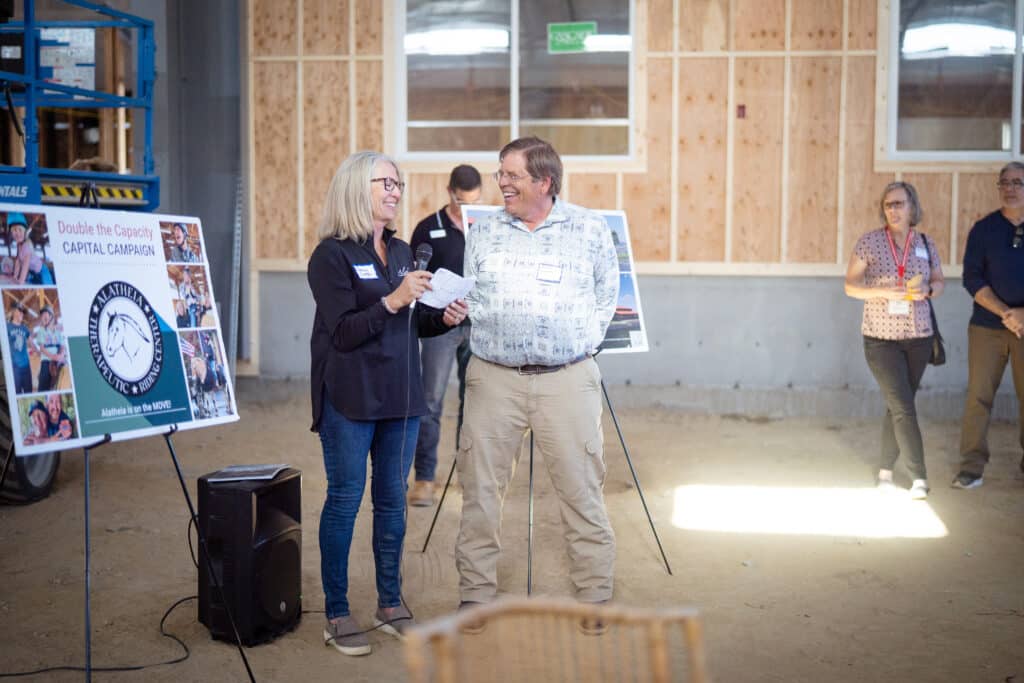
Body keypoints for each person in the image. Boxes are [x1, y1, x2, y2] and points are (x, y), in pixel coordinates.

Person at [307, 151, 468, 656]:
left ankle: (390, 602)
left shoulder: (401, 252)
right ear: (358, 187)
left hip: (401, 398)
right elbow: (346, 331)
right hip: (351, 399)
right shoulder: (330, 256)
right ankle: (336, 612)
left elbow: (409, 322)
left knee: (394, 501)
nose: (396, 190)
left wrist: (440, 319)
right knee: (345, 500)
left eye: (399, 183)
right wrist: (393, 300)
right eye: (387, 183)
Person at [456, 137, 619, 630]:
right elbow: (472, 293)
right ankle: (475, 594)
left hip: (567, 380)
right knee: (480, 490)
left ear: (544, 181)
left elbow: (606, 297)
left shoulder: (589, 229)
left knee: (580, 488)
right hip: (492, 379)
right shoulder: (483, 232)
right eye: (499, 174)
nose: (501, 183)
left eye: (512, 175)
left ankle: (594, 594)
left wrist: (575, 346)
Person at [844, 181, 944, 499]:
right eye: (888, 204)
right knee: (902, 405)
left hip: (919, 336)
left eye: (900, 203)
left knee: (899, 405)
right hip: (880, 338)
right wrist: (884, 291)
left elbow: (939, 281)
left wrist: (929, 290)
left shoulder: (926, 244)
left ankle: (885, 470)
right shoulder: (870, 242)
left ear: (912, 207)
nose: (894, 210)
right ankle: (919, 477)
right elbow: (850, 286)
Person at [406, 164, 482, 506]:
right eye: (463, 201)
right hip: (439, 326)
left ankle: (466, 475)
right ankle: (424, 478)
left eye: (474, 202)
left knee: (476, 402)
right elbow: (414, 278)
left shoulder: (486, 226)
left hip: (476, 325)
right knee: (431, 400)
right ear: (450, 192)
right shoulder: (427, 228)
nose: (467, 209)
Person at [952, 162, 1024, 489]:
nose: (1011, 188)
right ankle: (971, 467)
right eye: (1005, 183)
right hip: (986, 327)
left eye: (1018, 182)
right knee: (978, 397)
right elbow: (972, 278)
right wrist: (1006, 312)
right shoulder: (984, 229)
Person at [7, 212, 53, 285]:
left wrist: (20, 281)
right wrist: (15, 277)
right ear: (11, 233)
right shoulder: (19, 246)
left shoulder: (26, 245)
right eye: (14, 230)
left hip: (42, 272)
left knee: (47, 287)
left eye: (20, 230)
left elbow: (26, 264)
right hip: (33, 273)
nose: (17, 233)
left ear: (24, 231)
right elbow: (18, 262)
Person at [31, 305, 64, 392]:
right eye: (42, 316)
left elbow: (62, 346)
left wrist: (61, 355)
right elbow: (42, 348)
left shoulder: (58, 332)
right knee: (43, 384)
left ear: (51, 316)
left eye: (45, 314)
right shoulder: (41, 331)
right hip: (46, 361)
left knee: (57, 383)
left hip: (57, 362)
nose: (43, 317)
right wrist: (53, 356)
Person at [7, 303, 32, 394]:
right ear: (13, 311)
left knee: (29, 392)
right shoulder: (7, 327)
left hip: (26, 366)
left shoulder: (25, 328)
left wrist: (41, 352)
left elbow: (32, 343)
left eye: (23, 312)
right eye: (19, 311)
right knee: (16, 392)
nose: (22, 313)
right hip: (14, 366)